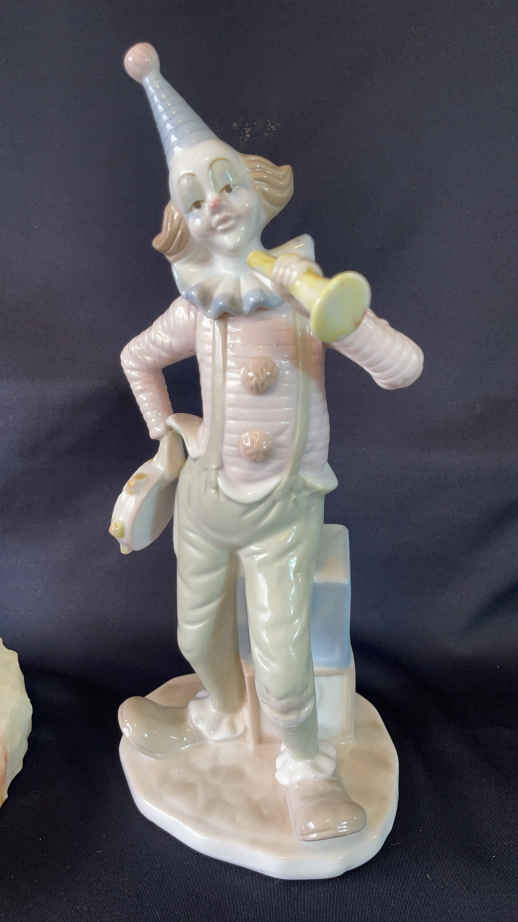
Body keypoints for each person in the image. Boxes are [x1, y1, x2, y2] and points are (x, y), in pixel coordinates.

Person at [117, 42, 423, 841]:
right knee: (196, 634)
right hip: (205, 502)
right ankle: (218, 715)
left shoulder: (302, 296)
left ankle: (308, 773)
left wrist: (340, 318)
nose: (215, 205)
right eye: (194, 199)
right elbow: (137, 358)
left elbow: (402, 369)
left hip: (283, 510)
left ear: (258, 190)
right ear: (182, 223)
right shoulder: (196, 306)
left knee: (285, 664)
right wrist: (167, 437)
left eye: (226, 184)